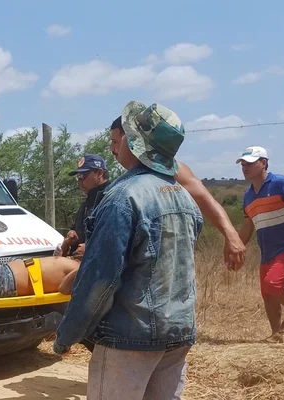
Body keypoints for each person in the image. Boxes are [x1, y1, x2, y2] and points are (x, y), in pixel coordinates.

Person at [53, 101, 203, 400]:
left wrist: (67, 334)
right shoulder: (183, 198)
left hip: (130, 338)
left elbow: (100, 279)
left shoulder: (122, 198)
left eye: (119, 139)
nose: (114, 146)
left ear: (134, 144)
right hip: (178, 333)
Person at [109, 115, 246, 271]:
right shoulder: (123, 185)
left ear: (130, 140)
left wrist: (231, 235)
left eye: (115, 142)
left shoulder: (173, 171)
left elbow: (204, 199)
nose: (112, 149)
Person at [236, 146, 284, 343]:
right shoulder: (248, 195)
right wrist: (235, 248)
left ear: (264, 163)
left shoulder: (281, 183)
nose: (245, 167)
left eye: (250, 163)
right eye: (243, 164)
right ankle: (276, 334)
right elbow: (247, 227)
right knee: (268, 295)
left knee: (273, 283)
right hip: (266, 252)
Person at [57, 154, 110, 259]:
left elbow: (117, 239)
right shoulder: (87, 203)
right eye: (78, 177)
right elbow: (79, 231)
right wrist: (72, 236)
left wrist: (91, 250)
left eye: (83, 176)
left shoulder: (112, 200)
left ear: (99, 173)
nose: (79, 182)